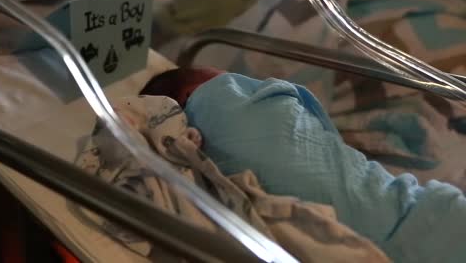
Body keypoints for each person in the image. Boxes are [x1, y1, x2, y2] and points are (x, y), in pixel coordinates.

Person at [141, 68, 466, 263]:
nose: (240, 80)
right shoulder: (218, 98)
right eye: (219, 75)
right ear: (190, 92)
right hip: (428, 220)